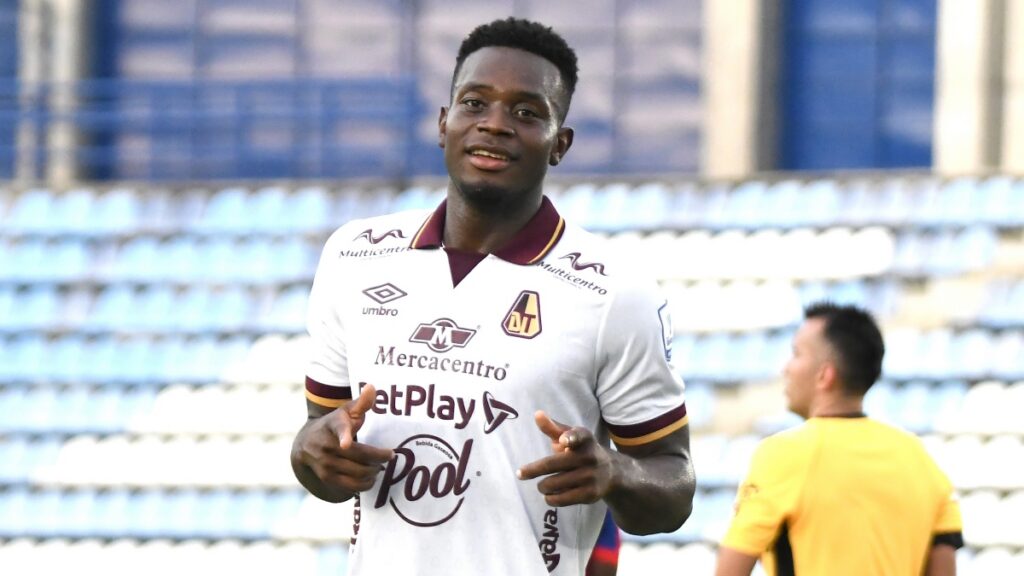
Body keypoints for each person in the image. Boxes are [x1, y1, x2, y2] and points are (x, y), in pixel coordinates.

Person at [290, 16, 695, 576]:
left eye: (526, 112)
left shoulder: (613, 291)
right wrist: (308, 455)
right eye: (475, 103)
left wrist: (614, 473)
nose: (495, 124)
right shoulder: (354, 257)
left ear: (560, 144)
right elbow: (321, 442)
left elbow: (673, 486)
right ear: (444, 123)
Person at [715, 302, 963, 576]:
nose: (786, 368)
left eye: (796, 354)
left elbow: (730, 571)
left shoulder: (783, 454)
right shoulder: (921, 460)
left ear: (825, 375)